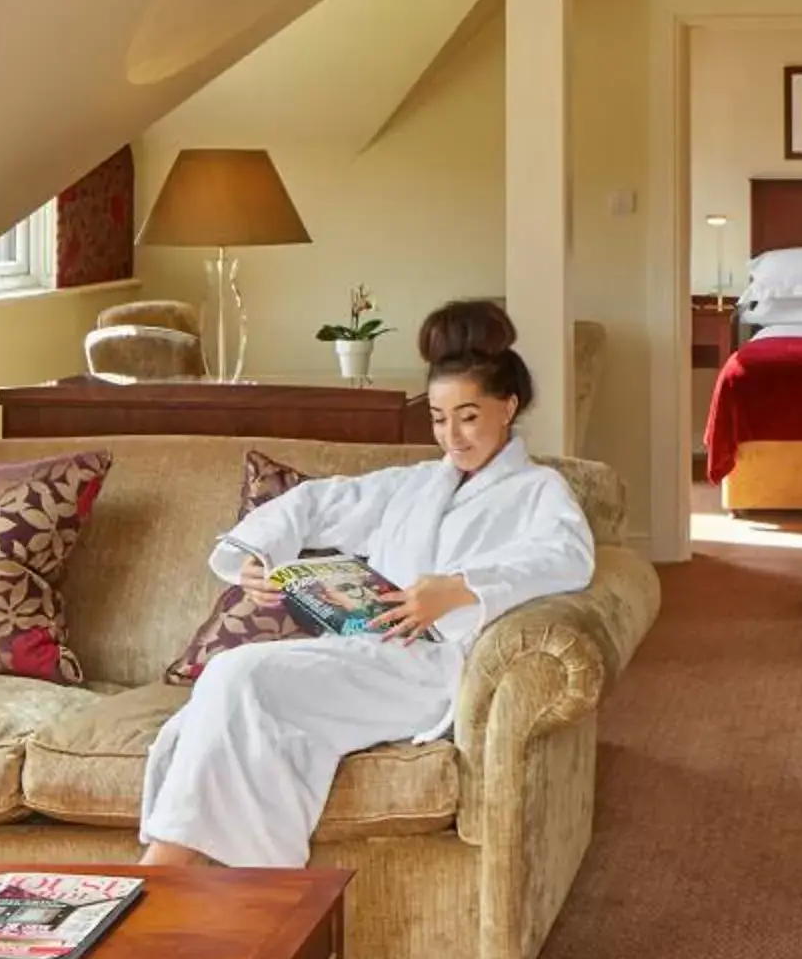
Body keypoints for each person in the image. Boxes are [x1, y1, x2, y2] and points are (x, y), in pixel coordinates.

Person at [136, 301, 596, 868]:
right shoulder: (417, 483)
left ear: (508, 406)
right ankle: (229, 878)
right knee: (229, 697)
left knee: (238, 674)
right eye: (437, 417)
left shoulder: (539, 489)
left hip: (434, 669)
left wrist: (461, 588)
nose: (452, 435)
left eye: (469, 416)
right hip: (365, 650)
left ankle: (166, 871)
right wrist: (254, 556)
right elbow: (313, 501)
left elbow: (567, 557)